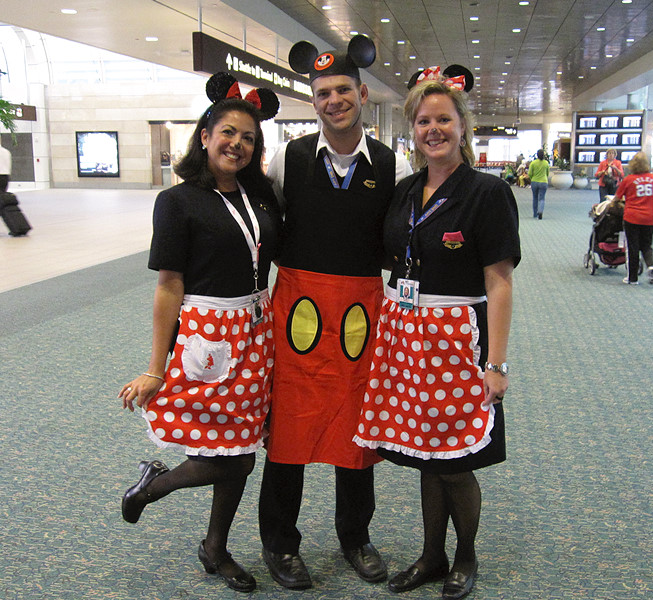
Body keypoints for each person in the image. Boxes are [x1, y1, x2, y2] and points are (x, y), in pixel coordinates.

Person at [354, 74, 520, 600]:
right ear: (413, 129)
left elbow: (499, 283)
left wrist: (496, 363)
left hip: (458, 340)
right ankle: (431, 555)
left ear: (463, 125)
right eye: (424, 121)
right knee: (428, 454)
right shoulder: (405, 190)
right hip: (407, 337)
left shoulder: (488, 192)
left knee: (456, 461)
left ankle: (464, 556)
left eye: (443, 119)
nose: (434, 130)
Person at [259, 35, 412, 590]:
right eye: (323, 93)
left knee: (356, 428)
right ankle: (280, 542)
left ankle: (356, 537)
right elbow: (262, 228)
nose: (333, 100)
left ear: (362, 93)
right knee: (289, 431)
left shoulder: (392, 168)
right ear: (314, 100)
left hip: (360, 316)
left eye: (342, 90)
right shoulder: (288, 159)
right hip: (296, 309)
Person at [117, 73, 280, 594]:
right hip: (208, 333)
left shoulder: (258, 195)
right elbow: (169, 287)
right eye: (228, 133)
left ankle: (215, 547)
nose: (237, 144)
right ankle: (153, 486)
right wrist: (154, 367)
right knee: (216, 455)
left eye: (249, 137)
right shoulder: (179, 201)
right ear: (205, 136)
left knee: (242, 452)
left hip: (257, 329)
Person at [613, 152, 653, 285]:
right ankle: (651, 266)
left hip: (632, 217)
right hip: (650, 217)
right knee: (647, 245)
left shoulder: (629, 179)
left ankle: (632, 278)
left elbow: (617, 197)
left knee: (633, 247)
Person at [528, 149, 549, 219]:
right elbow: (547, 173)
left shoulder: (533, 163)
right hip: (543, 182)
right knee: (542, 198)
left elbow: (529, 173)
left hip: (534, 181)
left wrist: (532, 178)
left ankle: (535, 213)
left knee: (535, 198)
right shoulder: (546, 163)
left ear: (537, 155)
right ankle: (540, 211)